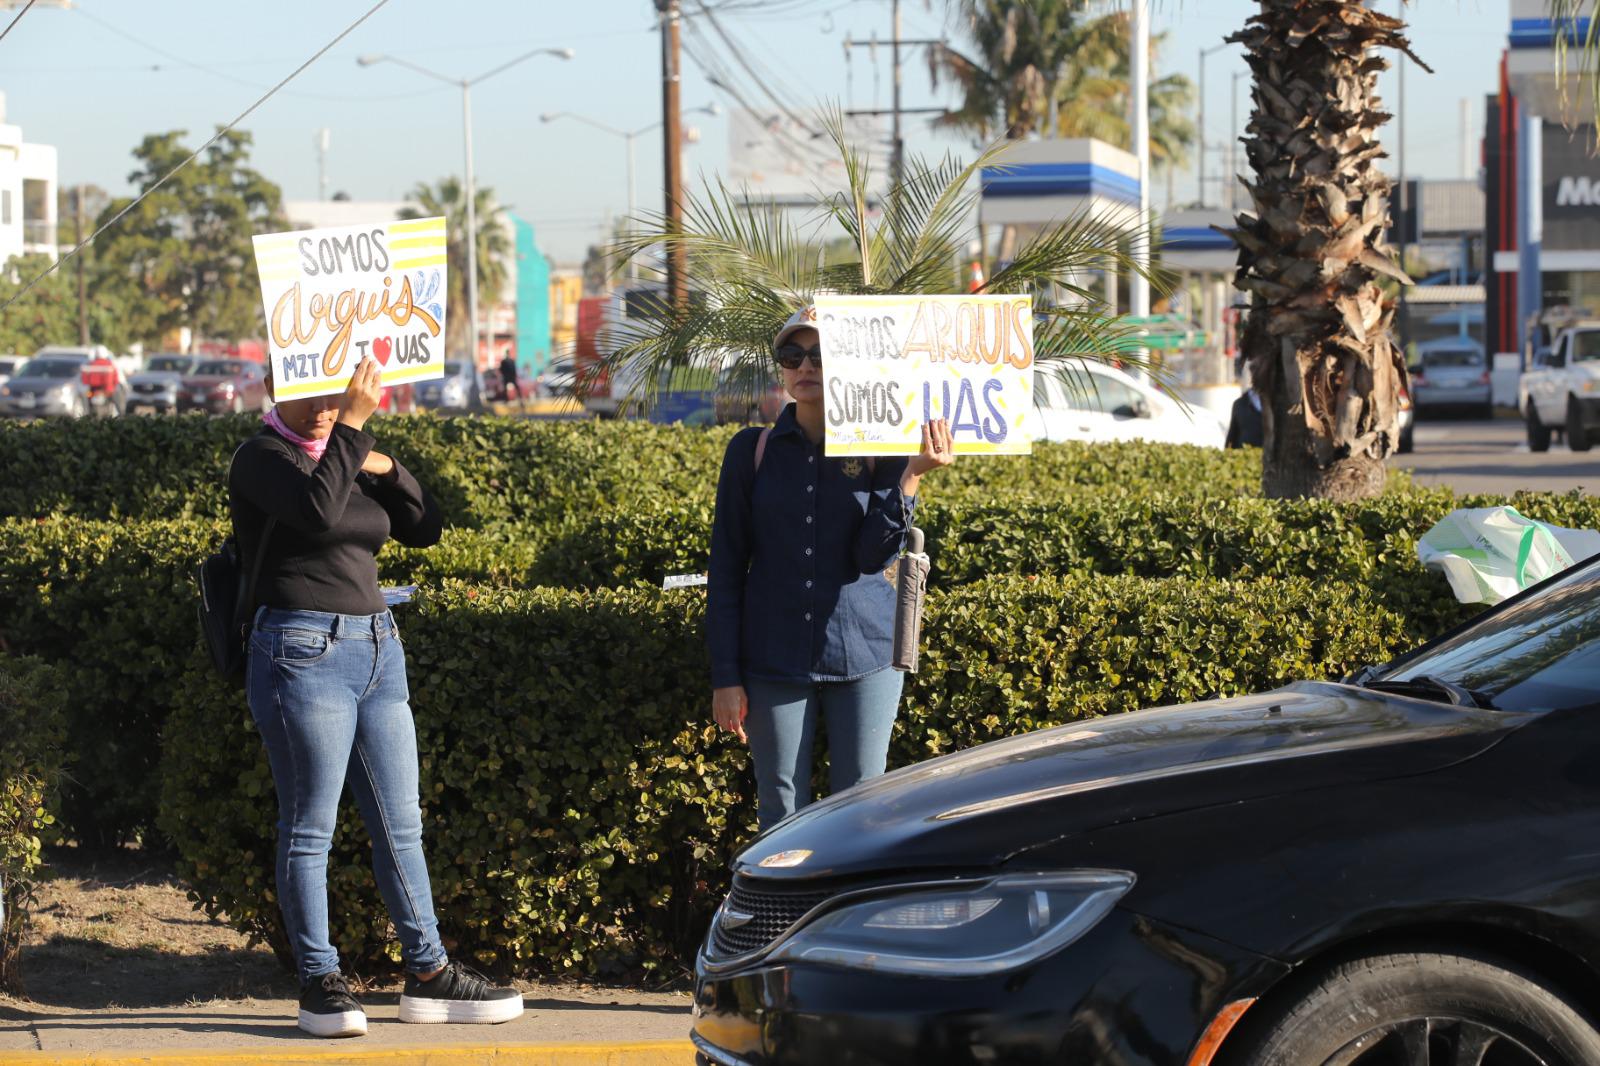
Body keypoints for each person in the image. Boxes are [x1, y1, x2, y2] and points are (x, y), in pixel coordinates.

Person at [230, 357, 523, 1038]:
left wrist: (389, 469)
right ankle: (319, 982)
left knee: (401, 825)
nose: (328, 406)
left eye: (338, 395)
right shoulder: (262, 457)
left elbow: (424, 526)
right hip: (302, 654)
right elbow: (314, 509)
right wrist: (354, 431)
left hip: (378, 650)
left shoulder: (349, 454)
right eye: (311, 393)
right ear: (279, 387)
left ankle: (428, 972)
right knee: (310, 830)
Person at [706, 306, 955, 831]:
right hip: (774, 659)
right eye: (792, 356)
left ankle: (847, 914)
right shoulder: (750, 451)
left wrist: (910, 478)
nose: (805, 366)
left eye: (820, 355)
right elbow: (726, 567)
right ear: (781, 368)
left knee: (863, 811)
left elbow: (871, 558)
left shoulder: (882, 447)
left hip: (866, 652)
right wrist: (725, 677)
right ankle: (786, 915)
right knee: (781, 811)